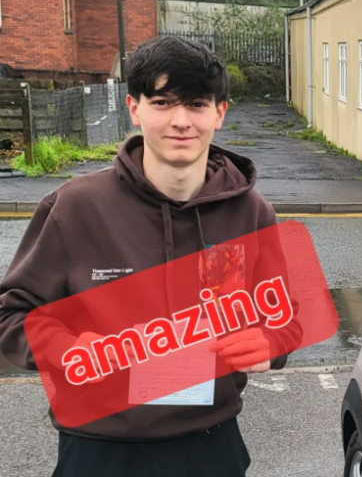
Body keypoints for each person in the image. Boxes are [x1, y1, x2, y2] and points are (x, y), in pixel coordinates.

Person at [0, 36, 301, 477]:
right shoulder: (74, 208)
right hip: (100, 448)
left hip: (210, 444)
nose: (181, 121)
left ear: (219, 113)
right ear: (134, 108)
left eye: (197, 104)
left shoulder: (252, 212)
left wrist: (272, 344)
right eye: (162, 103)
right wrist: (67, 350)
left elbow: (286, 318)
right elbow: (12, 316)